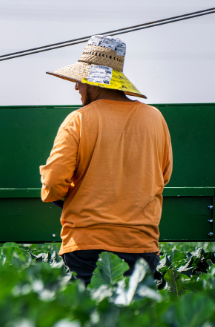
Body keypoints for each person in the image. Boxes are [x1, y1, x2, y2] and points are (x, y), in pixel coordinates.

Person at [40, 35, 173, 286]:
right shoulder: (156, 119)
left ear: (94, 83)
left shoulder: (77, 120)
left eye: (80, 81)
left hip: (86, 247)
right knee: (135, 322)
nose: (76, 87)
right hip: (141, 246)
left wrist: (64, 195)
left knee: (91, 321)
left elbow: (54, 182)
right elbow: (163, 176)